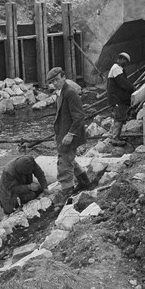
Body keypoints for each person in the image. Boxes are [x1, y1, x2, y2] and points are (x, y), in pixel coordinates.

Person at [47, 67, 90, 204]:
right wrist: (58, 134)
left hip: (69, 135)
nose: (55, 83)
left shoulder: (70, 92)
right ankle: (84, 181)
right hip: (63, 134)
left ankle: (67, 192)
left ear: (64, 77)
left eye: (57, 80)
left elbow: (79, 116)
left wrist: (70, 134)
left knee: (64, 163)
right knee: (69, 159)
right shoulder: (61, 93)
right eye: (52, 81)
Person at [107, 52, 136, 144]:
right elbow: (123, 83)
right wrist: (133, 89)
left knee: (120, 117)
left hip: (118, 98)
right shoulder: (116, 69)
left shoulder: (118, 68)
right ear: (121, 59)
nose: (125, 64)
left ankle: (116, 137)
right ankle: (115, 138)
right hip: (117, 98)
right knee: (119, 118)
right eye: (125, 61)